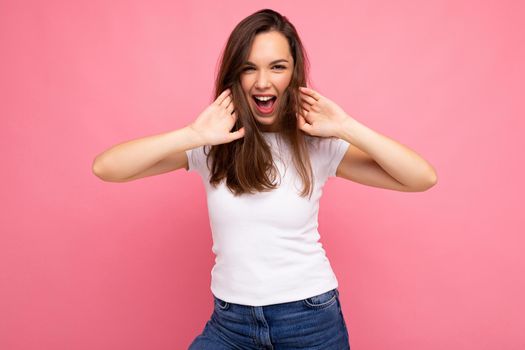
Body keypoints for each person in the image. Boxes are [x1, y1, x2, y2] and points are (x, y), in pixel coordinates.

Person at [92, 8, 437, 350]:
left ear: (294, 73)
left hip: (309, 320)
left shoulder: (316, 145)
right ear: (235, 76)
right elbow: (107, 168)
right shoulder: (211, 145)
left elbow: (421, 177)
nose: (262, 82)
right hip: (230, 324)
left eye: (277, 67)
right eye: (249, 68)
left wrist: (347, 126)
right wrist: (193, 134)